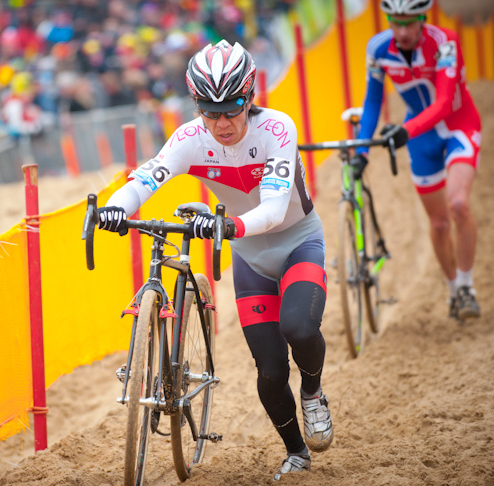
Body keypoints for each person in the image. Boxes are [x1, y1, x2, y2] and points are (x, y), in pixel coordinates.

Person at [96, 40, 333, 481]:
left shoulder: (277, 129)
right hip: (250, 257)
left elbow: (276, 209)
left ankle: (314, 391)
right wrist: (116, 207)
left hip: (297, 240)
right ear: (196, 106)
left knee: (299, 328)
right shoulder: (190, 138)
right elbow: (146, 178)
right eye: (209, 110)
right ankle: (297, 451)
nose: (222, 122)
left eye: (233, 108)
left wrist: (229, 226)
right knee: (270, 370)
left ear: (250, 97)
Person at [351, 0, 481, 320]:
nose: (402, 30)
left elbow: (444, 101)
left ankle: (467, 286)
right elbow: (372, 102)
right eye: (395, 22)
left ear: (422, 18)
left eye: (410, 22)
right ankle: (453, 291)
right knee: (438, 224)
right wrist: (362, 151)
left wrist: (405, 130)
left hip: (457, 126)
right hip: (421, 139)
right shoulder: (378, 49)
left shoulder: (444, 43)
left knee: (459, 205)